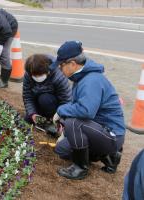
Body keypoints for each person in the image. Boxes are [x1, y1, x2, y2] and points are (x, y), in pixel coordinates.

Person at [52, 41, 125, 180]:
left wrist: (61, 110)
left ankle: (80, 168)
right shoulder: (82, 77)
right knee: (62, 150)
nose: (60, 69)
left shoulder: (91, 80)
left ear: (73, 64)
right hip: (98, 130)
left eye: (61, 65)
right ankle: (109, 156)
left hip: (111, 134)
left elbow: (86, 111)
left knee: (73, 122)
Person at [22, 54, 71, 133]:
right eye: (34, 75)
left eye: (40, 75)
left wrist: (61, 120)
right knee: (27, 119)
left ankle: (52, 119)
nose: (37, 77)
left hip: (53, 105)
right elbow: (27, 96)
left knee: (45, 99)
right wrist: (33, 113)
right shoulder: (28, 75)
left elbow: (66, 100)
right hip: (38, 102)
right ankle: (44, 118)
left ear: (47, 71)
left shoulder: (58, 76)